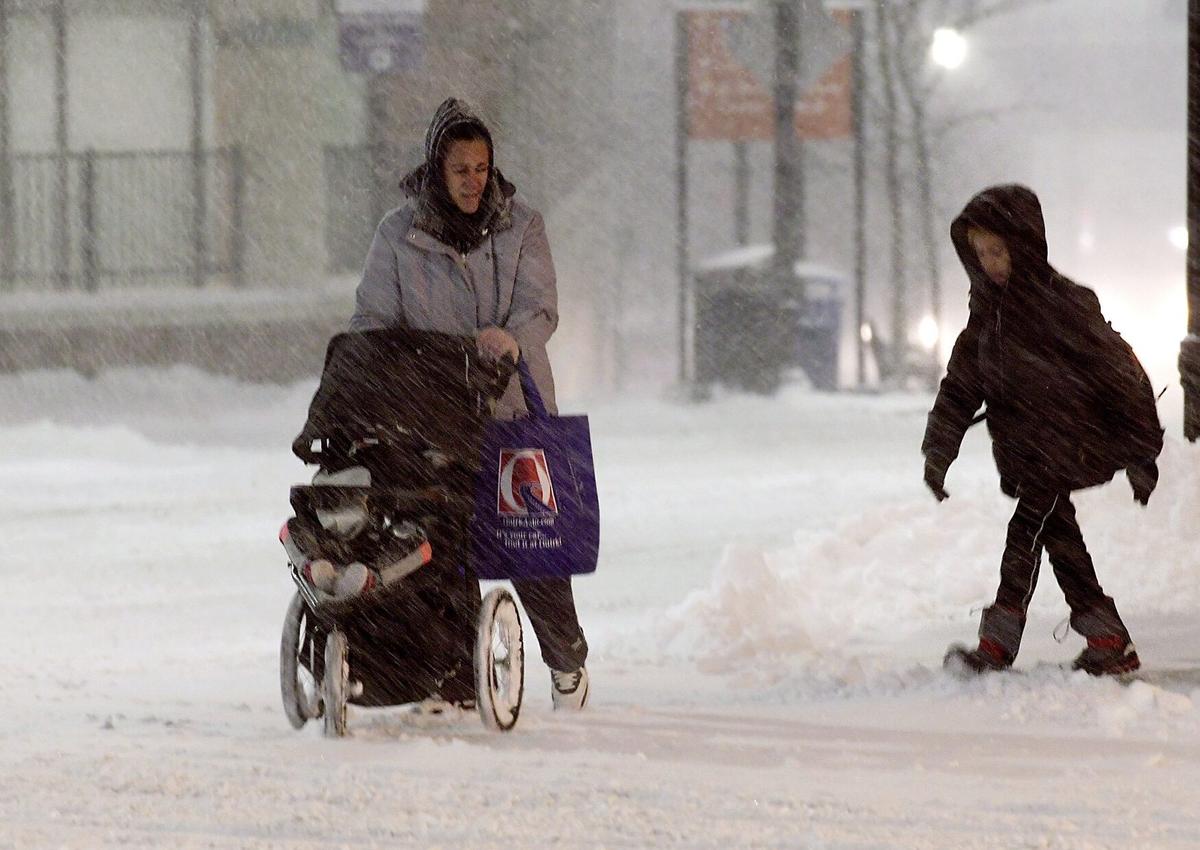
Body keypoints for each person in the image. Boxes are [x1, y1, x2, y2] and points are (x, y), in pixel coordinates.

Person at [349, 98, 589, 709]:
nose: (473, 181)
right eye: (460, 169)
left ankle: (566, 661)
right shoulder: (398, 234)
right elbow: (373, 317)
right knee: (440, 545)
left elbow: (540, 306)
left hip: (511, 411)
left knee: (531, 543)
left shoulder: (521, 226)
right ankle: (453, 678)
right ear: (437, 168)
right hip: (432, 414)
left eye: (481, 168)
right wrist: (373, 369)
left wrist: (511, 338)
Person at [923, 184, 1163, 677]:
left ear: (1024, 245)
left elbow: (1122, 376)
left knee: (1025, 535)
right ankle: (1107, 639)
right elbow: (961, 385)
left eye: (998, 250)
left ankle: (997, 644)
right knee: (1061, 539)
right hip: (1028, 453)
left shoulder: (1064, 305)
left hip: (1069, 445)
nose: (989, 262)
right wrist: (939, 449)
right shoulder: (986, 315)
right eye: (980, 252)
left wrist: (1141, 453)